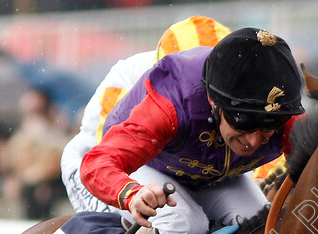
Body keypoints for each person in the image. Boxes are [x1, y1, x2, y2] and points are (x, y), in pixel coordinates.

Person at [39, 27, 305, 234]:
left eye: (268, 129)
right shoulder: (172, 102)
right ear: (213, 100)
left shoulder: (284, 115)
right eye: (244, 123)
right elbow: (98, 164)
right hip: (146, 165)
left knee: (261, 226)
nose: (253, 141)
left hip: (209, 174)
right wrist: (131, 193)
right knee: (184, 225)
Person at [61, 15, 232, 213]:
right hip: (96, 164)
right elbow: (109, 147)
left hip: (177, 169)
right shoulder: (126, 76)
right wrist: (132, 194)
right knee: (173, 222)